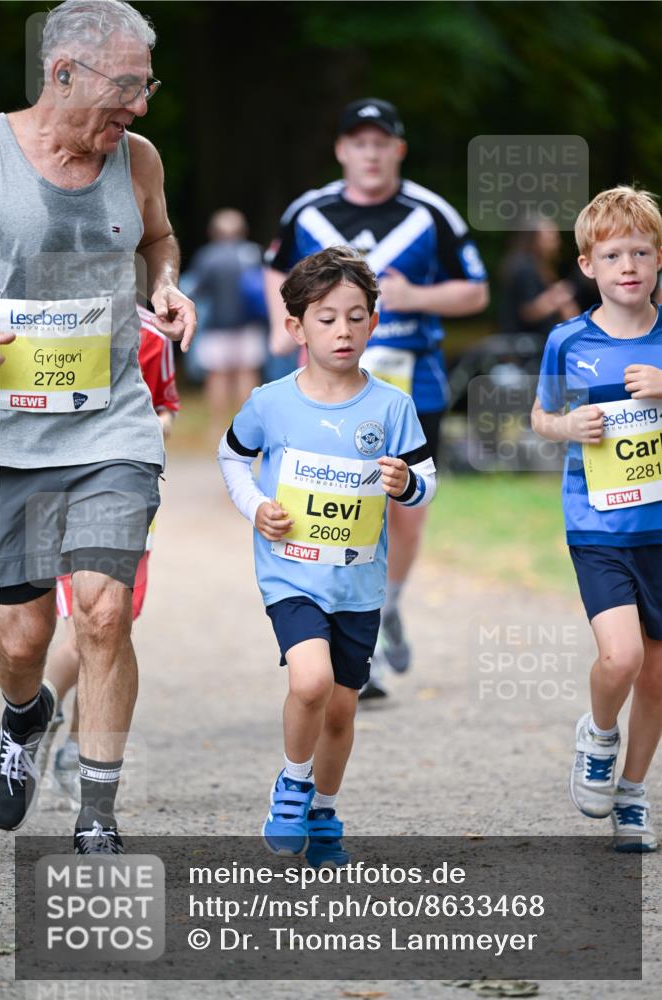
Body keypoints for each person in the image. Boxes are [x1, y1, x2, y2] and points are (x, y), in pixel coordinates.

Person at [0, 0, 195, 853]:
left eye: (147, 86)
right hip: (7, 435)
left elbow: (160, 237)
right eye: (128, 86)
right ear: (62, 73)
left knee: (105, 613)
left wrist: (166, 283)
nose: (140, 107)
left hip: (111, 425)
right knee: (21, 636)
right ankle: (25, 711)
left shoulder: (137, 159)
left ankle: (97, 815)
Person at [219, 247, 436, 865]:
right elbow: (232, 455)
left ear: (373, 323)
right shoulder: (271, 402)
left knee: (341, 711)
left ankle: (322, 811)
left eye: (356, 316)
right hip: (291, 572)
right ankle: (292, 783)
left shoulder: (392, 406)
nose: (342, 330)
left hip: (359, 585)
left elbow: (426, 477)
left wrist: (406, 484)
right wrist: (255, 504)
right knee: (310, 681)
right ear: (296, 328)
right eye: (326, 318)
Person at [264, 97, 488, 696]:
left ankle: (384, 609)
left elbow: (475, 291)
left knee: (405, 508)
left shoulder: (429, 213)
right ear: (341, 149)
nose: (370, 152)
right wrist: (279, 333)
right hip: (326, 386)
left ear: (397, 149)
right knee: (333, 500)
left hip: (414, 385)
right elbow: (273, 270)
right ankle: (335, 631)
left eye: (380, 142)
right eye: (358, 142)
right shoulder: (309, 212)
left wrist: (415, 297)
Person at [531, 185, 662, 852]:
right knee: (620, 658)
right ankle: (598, 736)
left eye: (641, 252)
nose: (628, 266)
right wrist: (566, 425)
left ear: (658, 258)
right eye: (613, 255)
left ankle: (634, 794)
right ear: (587, 265)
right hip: (600, 527)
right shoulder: (567, 341)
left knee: (658, 677)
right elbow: (539, 417)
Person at [49, 303, 180, 801]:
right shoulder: (33, 315)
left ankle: (78, 745)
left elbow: (167, 401)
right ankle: (36, 712)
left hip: (121, 486)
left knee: (107, 627)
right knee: (80, 634)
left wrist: (158, 424)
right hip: (51, 484)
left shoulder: (152, 332)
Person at [183, 208, 267, 433]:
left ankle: (217, 426)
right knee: (247, 372)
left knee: (217, 375)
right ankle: (248, 426)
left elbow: (195, 290)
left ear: (214, 232)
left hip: (216, 327)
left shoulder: (207, 256)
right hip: (249, 325)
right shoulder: (253, 253)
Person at [499, 216, 580, 337]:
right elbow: (527, 311)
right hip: (523, 343)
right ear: (534, 238)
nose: (556, 242)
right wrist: (558, 297)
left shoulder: (537, 265)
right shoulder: (523, 267)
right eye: (550, 237)